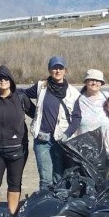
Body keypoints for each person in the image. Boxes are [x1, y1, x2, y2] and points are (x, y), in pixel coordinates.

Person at [0, 65, 35, 215]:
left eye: (5, 78)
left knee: (14, 184)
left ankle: (11, 215)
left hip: (18, 148)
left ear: (11, 80)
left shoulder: (21, 97)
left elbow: (37, 115)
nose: (2, 81)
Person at [23, 56, 80, 190]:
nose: (58, 70)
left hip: (61, 141)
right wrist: (33, 113)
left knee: (59, 178)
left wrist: (67, 134)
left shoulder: (73, 92)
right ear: (49, 70)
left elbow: (77, 117)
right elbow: (22, 94)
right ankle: (45, 208)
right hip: (42, 140)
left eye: (60, 68)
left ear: (65, 70)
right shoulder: (40, 87)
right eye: (54, 68)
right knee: (45, 179)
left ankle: (57, 206)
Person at [65, 69, 109, 136]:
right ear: (86, 82)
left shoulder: (108, 98)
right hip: (83, 143)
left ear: (101, 83)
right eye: (91, 80)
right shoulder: (76, 99)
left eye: (98, 81)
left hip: (105, 143)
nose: (94, 83)